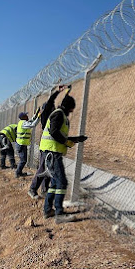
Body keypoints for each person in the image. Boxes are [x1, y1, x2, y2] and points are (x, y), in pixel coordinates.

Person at [39, 93, 87, 224]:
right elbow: (54, 133)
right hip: (52, 154)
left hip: (52, 153)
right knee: (62, 183)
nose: (72, 112)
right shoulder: (58, 114)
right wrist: (67, 142)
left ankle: (48, 210)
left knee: (55, 183)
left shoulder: (59, 114)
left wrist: (75, 139)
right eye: (72, 109)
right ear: (69, 107)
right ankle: (59, 214)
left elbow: (59, 135)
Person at [28, 84, 69, 199]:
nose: (54, 107)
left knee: (49, 170)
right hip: (47, 147)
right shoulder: (46, 114)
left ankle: (44, 190)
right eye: (52, 107)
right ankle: (32, 189)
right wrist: (57, 92)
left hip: (52, 147)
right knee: (42, 168)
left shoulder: (53, 115)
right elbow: (50, 101)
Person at [15, 110, 40, 178]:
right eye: (26, 115)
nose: (27, 116)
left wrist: (36, 115)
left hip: (21, 144)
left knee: (23, 160)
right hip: (21, 145)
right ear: (23, 117)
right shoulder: (23, 123)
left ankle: (19, 172)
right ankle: (17, 173)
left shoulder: (22, 122)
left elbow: (31, 121)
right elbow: (33, 124)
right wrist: (39, 117)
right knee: (23, 160)